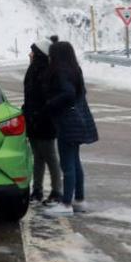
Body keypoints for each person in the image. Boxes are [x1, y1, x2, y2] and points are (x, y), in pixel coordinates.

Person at [43, 40, 98, 215]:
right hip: (79, 121)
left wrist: (50, 104)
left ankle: (66, 204)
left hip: (67, 122)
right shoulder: (75, 69)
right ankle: (79, 199)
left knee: (67, 164)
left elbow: (68, 93)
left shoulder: (60, 71)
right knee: (75, 162)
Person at [21, 39, 62, 205]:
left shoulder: (47, 73)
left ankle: (57, 191)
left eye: (32, 51)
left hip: (45, 121)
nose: (30, 54)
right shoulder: (33, 70)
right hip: (33, 120)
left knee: (50, 156)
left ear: (38, 54)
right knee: (37, 156)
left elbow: (48, 99)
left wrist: (39, 113)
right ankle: (37, 190)